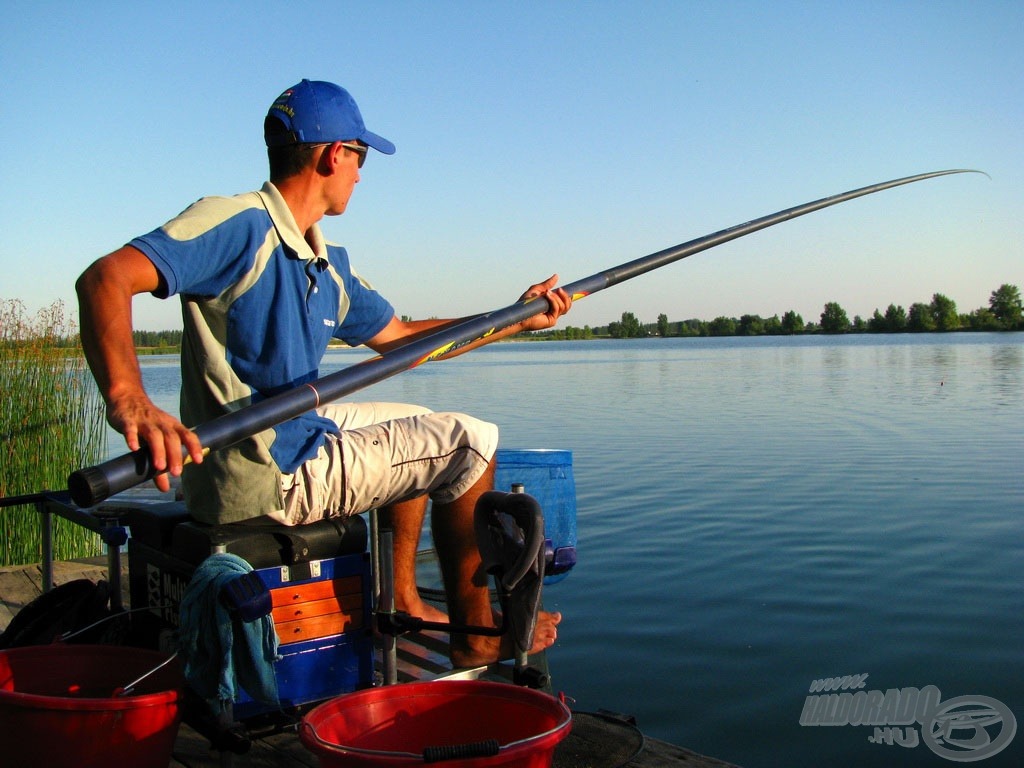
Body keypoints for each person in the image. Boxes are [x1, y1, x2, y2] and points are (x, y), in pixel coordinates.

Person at [76, 79, 572, 666]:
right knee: (471, 442)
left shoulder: (325, 262)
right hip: (264, 471)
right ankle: (476, 634)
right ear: (335, 153)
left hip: (287, 436)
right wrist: (129, 396)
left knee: (420, 421)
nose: (361, 175)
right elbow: (104, 278)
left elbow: (406, 341)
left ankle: (403, 595)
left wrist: (517, 318)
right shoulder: (239, 224)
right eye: (360, 158)